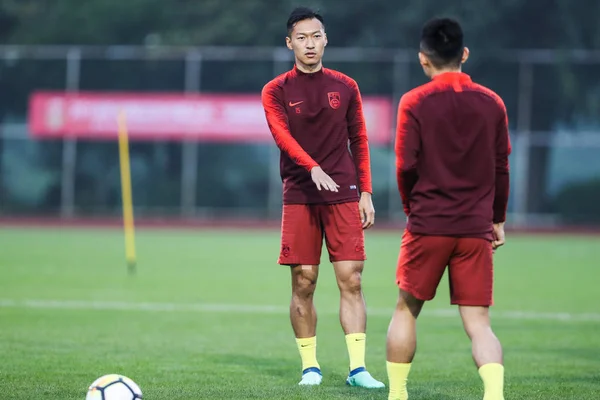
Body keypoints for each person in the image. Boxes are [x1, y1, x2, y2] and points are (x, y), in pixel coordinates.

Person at [385, 17, 511, 400]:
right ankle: (494, 395)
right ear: (465, 54)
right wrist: (497, 219)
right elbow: (501, 167)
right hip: (474, 227)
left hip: (428, 224)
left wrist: (412, 208)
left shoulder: (414, 101)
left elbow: (405, 165)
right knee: (479, 323)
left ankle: (398, 394)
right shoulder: (493, 103)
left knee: (407, 309)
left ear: (424, 59)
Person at [260, 6, 384, 390]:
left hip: (344, 193)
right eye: (302, 37)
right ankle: (310, 367)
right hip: (299, 193)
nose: (309, 43)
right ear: (289, 43)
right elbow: (282, 135)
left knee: (352, 280)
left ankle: (358, 369)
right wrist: (311, 167)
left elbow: (359, 139)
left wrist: (366, 190)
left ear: (325, 39)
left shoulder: (346, 85)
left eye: (316, 36)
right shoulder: (276, 90)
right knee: (304, 281)